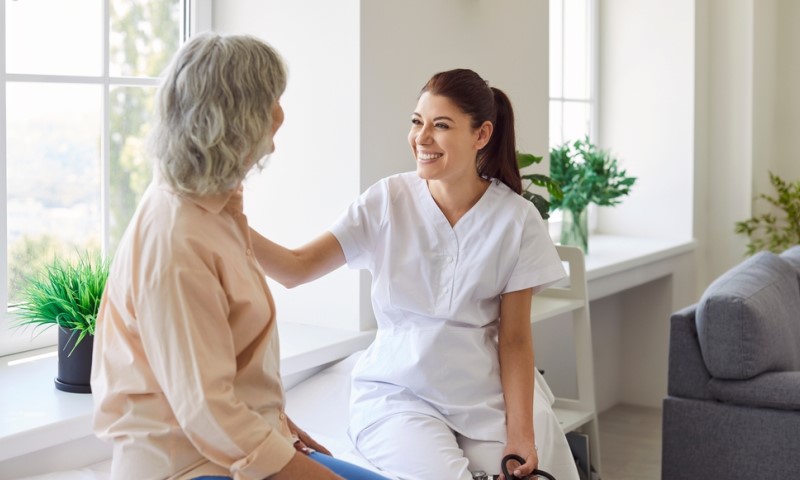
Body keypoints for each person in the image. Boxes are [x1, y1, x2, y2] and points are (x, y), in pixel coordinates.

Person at [251, 68, 580, 479]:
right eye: (416, 122)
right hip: (398, 393)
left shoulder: (517, 219)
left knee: (540, 466)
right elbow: (294, 269)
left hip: (485, 392)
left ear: (481, 136)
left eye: (441, 126)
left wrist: (521, 435)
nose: (421, 138)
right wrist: (225, 216)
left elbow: (514, 340)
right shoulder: (387, 200)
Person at [90, 32, 389, 480]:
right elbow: (206, 409)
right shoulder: (175, 240)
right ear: (238, 118)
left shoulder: (215, 206)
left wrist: (280, 426)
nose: (281, 117)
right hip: (189, 464)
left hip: (227, 446)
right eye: (273, 101)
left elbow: (223, 367)